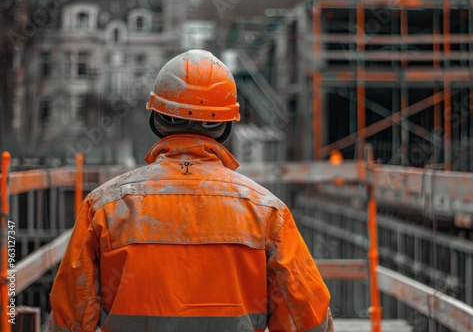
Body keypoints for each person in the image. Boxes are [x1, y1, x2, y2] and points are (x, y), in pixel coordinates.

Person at [48, 49, 333, 332]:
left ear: (157, 118)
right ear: (225, 125)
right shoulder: (267, 212)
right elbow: (307, 320)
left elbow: (71, 319)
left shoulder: (105, 207)